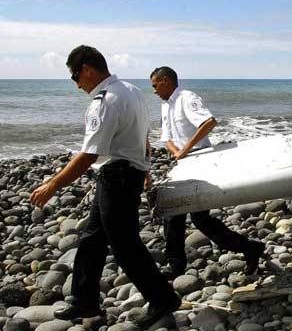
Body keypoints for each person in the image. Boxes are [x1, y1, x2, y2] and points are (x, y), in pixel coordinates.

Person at [29, 45, 181, 328]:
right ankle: (83, 299)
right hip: (124, 173)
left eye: (76, 77)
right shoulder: (131, 91)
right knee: (92, 238)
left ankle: (162, 298)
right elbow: (142, 134)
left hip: (118, 176)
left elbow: (88, 155)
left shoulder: (106, 99)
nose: (77, 85)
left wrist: (53, 185)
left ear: (87, 69)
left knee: (125, 245)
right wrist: (144, 166)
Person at [150, 66, 265, 278]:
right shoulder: (166, 106)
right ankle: (176, 265)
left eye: (155, 85)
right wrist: (177, 152)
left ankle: (249, 248)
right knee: (175, 214)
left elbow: (209, 122)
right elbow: (166, 137)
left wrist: (185, 150)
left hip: (200, 159)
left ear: (166, 81)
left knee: (199, 218)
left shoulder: (186, 98)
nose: (154, 91)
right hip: (183, 163)